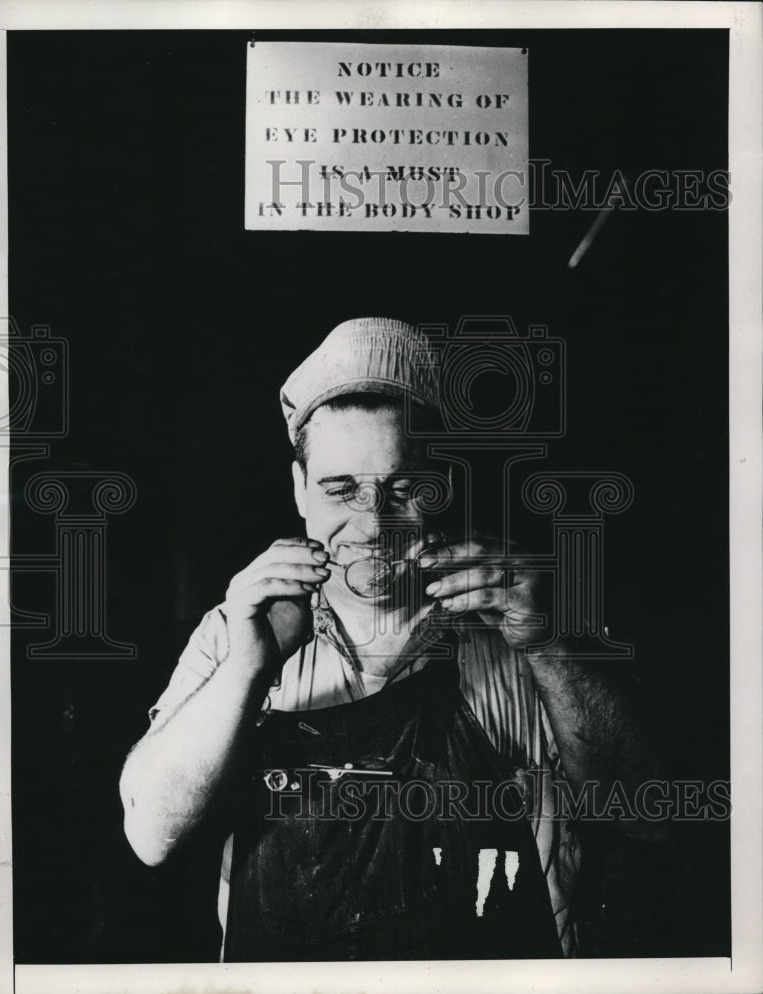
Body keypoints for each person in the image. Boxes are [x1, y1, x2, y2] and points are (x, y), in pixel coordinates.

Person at [120, 317, 658, 960]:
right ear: (300, 491)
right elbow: (152, 835)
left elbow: (640, 817)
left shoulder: (529, 621)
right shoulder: (236, 629)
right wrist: (246, 671)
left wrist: (547, 646)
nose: (374, 524)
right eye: (341, 489)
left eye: (403, 487)